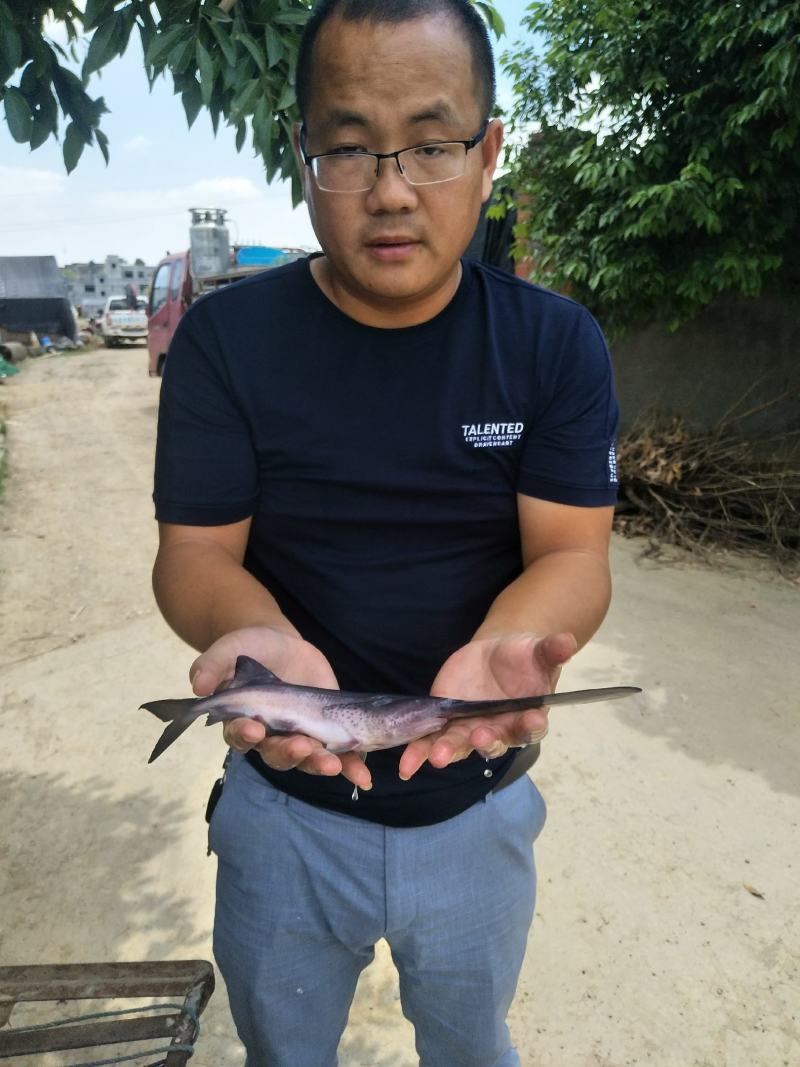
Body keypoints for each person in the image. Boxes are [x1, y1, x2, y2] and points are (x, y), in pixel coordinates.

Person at [151, 1, 619, 1064]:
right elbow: (195, 554)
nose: (392, 188)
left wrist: (517, 640)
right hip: (282, 809)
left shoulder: (552, 345)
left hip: (478, 808)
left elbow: (569, 553)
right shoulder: (227, 340)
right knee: (284, 1048)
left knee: (469, 1044)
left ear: (488, 151)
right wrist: (255, 642)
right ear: (301, 152)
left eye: (432, 143)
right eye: (349, 147)